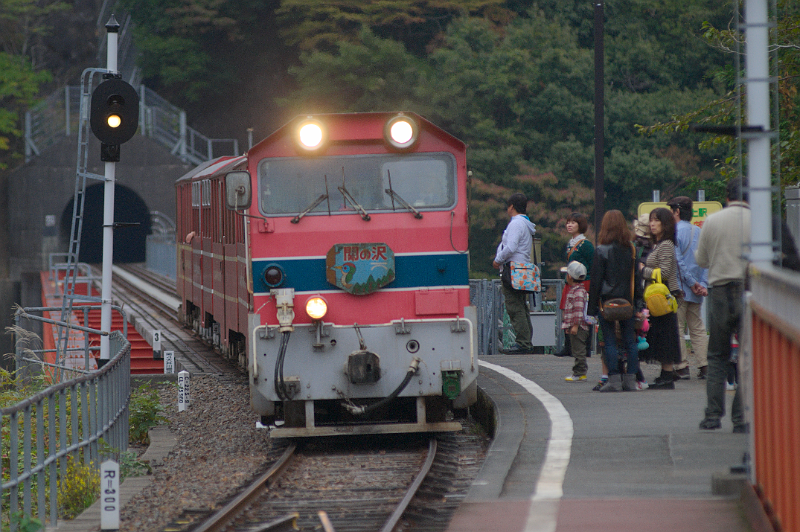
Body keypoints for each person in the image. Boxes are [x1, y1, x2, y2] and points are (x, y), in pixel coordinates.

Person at [695, 178, 750, 432]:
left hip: (719, 291)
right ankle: (741, 418)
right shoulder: (758, 220)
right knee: (748, 356)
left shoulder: (712, 220)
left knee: (717, 355)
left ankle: (713, 415)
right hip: (749, 290)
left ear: (727, 196)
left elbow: (701, 260)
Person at [587, 210, 643, 392]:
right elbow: (636, 278)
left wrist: (591, 309)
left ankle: (614, 380)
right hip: (628, 301)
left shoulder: (601, 250)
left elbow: (595, 281)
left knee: (610, 341)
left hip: (607, 303)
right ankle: (630, 380)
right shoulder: (631, 249)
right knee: (630, 341)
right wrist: (639, 303)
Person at [639, 207, 683, 390]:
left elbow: (664, 272)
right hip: (657, 296)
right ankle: (666, 374)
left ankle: (667, 376)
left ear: (666, 224)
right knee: (663, 334)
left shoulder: (666, 245)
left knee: (665, 335)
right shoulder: (657, 244)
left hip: (663, 297)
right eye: (651, 220)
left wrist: (643, 270)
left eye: (657, 220)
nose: (652, 224)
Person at [667, 196, 709, 380]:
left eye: (671, 211)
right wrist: (702, 284)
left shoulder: (674, 232)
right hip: (697, 289)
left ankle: (682, 366)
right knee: (698, 328)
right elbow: (707, 261)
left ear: (677, 211)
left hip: (680, 288)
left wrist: (691, 283)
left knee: (677, 327)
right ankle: (704, 365)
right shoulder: (699, 231)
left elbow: (678, 262)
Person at [493, 193, 537, 354]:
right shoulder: (525, 223)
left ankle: (523, 343)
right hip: (521, 269)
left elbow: (510, 247)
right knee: (521, 305)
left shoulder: (516, 223)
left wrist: (498, 260)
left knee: (514, 306)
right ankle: (526, 341)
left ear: (511, 206)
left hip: (512, 269)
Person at [555, 213, 594, 357]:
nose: (569, 225)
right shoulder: (571, 243)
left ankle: (585, 347)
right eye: (568, 222)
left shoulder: (586, 244)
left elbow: (592, 264)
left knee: (583, 313)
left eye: (573, 222)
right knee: (567, 311)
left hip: (583, 282)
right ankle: (568, 346)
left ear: (580, 225)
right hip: (570, 281)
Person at [562, 261, 591, 382]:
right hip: (576, 326)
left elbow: (578, 310)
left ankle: (579, 372)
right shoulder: (577, 290)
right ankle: (579, 372)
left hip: (579, 327)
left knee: (579, 350)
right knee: (576, 349)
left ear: (569, 276)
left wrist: (575, 325)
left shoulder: (578, 292)